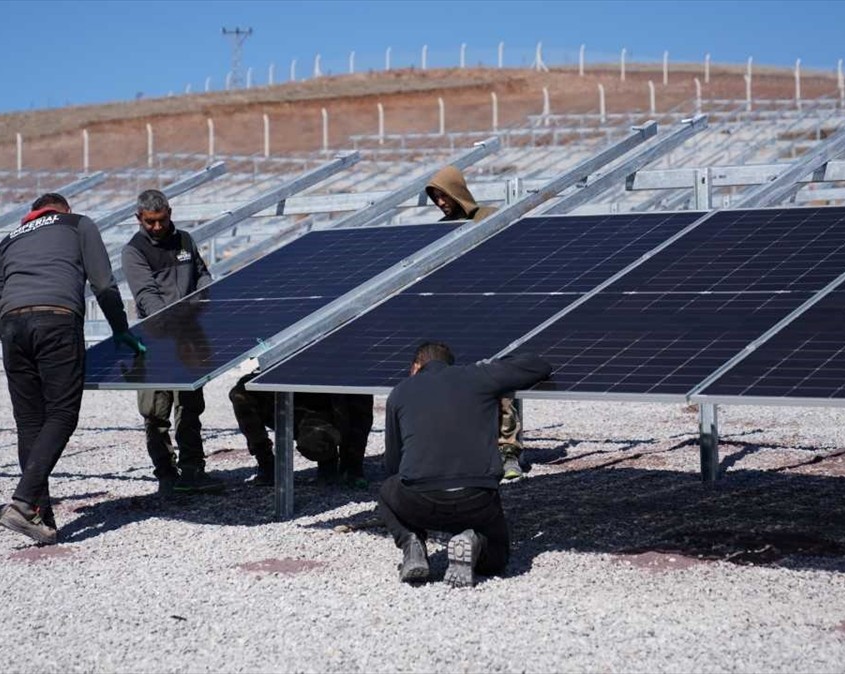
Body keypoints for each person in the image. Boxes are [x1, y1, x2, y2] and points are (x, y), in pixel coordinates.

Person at [0, 192, 146, 545]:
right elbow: (102, 282)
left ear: (34, 213)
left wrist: (8, 333)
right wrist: (120, 328)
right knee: (62, 413)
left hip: (12, 325)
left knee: (29, 422)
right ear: (64, 210)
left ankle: (41, 519)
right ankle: (23, 503)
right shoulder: (78, 223)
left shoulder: (9, 239)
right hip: (56, 319)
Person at [378, 342, 551, 587]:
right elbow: (538, 365)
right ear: (450, 363)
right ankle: (475, 540)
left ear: (416, 366)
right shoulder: (478, 376)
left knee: (387, 491)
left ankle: (411, 544)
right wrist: (496, 364)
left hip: (420, 498)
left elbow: (393, 464)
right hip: (476, 496)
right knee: (498, 556)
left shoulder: (400, 391)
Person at [425, 167, 526, 481]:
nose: (441, 202)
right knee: (462, 390)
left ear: (457, 190)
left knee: (503, 390)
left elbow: (511, 259)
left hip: (494, 315)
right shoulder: (440, 230)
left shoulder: (491, 218)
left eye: (444, 194)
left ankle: (509, 454)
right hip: (457, 317)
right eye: (435, 196)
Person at [121, 189, 223, 497]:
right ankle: (166, 473)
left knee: (190, 405)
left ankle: (193, 470)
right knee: (155, 411)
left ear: (170, 213)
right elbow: (147, 297)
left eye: (161, 220)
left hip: (191, 334)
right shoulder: (134, 251)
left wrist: (204, 294)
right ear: (138, 218)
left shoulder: (186, 241)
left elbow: (203, 274)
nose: (156, 227)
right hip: (157, 338)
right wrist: (175, 319)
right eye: (149, 222)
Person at [228, 376, 371, 487]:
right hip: (288, 390)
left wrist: (353, 464)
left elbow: (360, 413)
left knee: (315, 440)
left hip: (323, 406)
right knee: (241, 394)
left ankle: (329, 460)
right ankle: (267, 464)